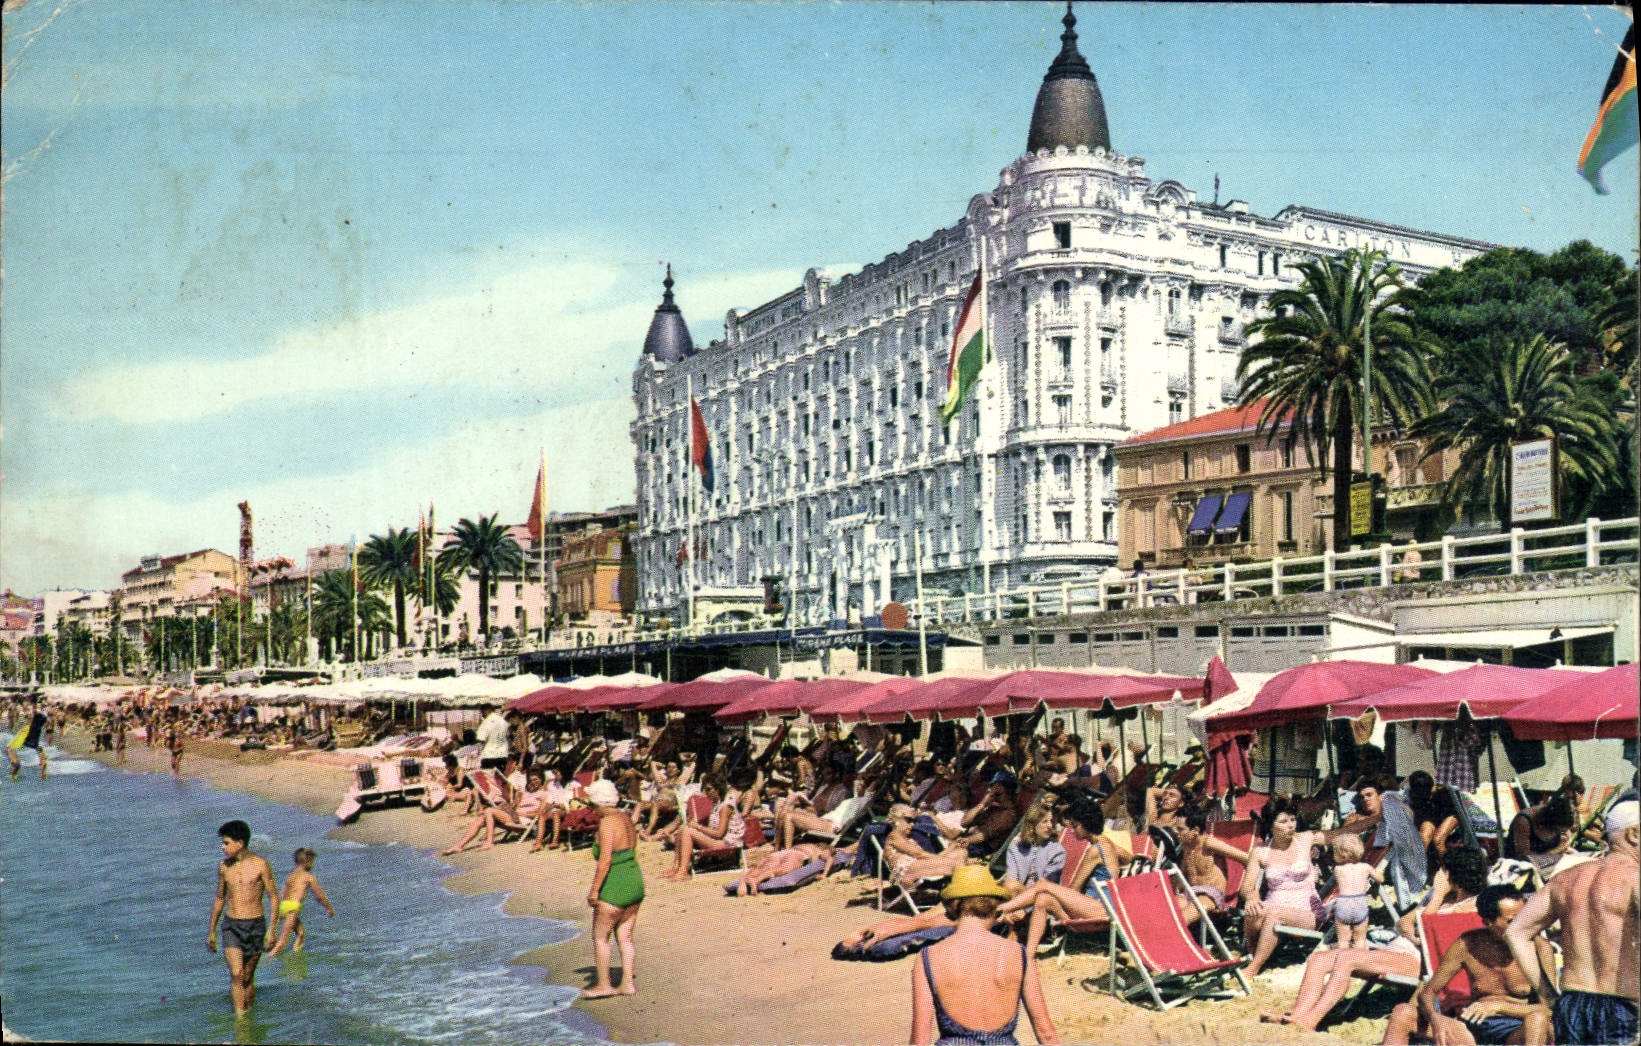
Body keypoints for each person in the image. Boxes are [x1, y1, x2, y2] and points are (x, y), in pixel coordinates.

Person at [1505, 800, 1639, 1046]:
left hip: (1572, 1004)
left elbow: (1516, 932)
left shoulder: (1566, 878)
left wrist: (1546, 993)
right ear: (1634, 834)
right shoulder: (1634, 878)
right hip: (1623, 1005)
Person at [909, 865, 1059, 1046]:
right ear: (994, 905)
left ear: (952, 907)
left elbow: (920, 1040)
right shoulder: (1019, 954)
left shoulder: (929, 957)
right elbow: (1046, 1034)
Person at [1383, 885, 1549, 1046]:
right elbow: (1428, 992)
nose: (1522, 925)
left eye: (1525, 917)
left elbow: (1548, 1010)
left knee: (1538, 1019)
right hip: (1473, 1028)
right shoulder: (1467, 945)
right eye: (1512, 921)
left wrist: (1499, 1007)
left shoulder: (1539, 948)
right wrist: (1437, 1020)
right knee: (1403, 1012)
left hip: (1516, 1031)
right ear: (1488, 922)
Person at [993, 799, 1120, 955]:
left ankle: (999, 911)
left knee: (1043, 885)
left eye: (1075, 825)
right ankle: (1029, 955)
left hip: (1101, 908)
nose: (1072, 831)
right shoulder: (1107, 844)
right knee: (1043, 899)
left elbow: (1075, 888)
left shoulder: (1094, 851)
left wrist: (1060, 894)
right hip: (1098, 906)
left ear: (1085, 823)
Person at [1242, 798, 1327, 977]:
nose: (1291, 825)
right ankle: (1251, 952)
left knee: (1274, 914)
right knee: (1254, 910)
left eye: (1293, 820)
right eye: (1283, 821)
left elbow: (1342, 833)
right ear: (1271, 825)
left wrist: (1377, 817)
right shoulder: (1261, 851)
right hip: (1274, 905)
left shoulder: (1305, 839)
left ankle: (1253, 967)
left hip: (1307, 912)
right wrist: (1252, 897)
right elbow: (1247, 886)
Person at [207, 820, 278, 1015]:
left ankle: (248, 1015)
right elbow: (220, 898)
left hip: (255, 925)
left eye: (226, 843)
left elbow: (273, 896)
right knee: (237, 974)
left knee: (247, 976)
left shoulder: (261, 865)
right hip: (232, 926)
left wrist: (272, 931)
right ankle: (241, 1022)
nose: (223, 847)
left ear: (240, 843)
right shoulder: (224, 867)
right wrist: (212, 931)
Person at [582, 779, 643, 999]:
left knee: (600, 936)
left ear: (598, 803)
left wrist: (594, 891)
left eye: (592, 804)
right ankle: (627, 983)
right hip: (634, 880)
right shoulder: (625, 818)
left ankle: (604, 984)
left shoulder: (607, 823)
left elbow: (605, 860)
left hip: (615, 883)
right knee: (625, 936)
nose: (591, 809)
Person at [658, 776, 743, 881]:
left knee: (688, 831)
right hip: (718, 841)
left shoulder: (725, 807)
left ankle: (683, 870)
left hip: (727, 844)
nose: (706, 793)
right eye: (704, 789)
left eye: (709, 789)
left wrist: (698, 827)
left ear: (718, 789)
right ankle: (676, 867)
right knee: (683, 828)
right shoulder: (717, 804)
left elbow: (719, 834)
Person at [266, 848, 335, 958]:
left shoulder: (292, 875)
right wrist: (329, 908)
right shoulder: (308, 876)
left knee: (301, 933)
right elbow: (319, 895)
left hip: (282, 906)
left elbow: (283, 891)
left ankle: (297, 954)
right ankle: (267, 960)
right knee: (282, 942)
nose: (313, 865)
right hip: (293, 907)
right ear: (308, 862)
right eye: (312, 862)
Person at [1329, 834, 1380, 951]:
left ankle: (1343, 963)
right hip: (1360, 903)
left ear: (1342, 855)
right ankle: (1359, 965)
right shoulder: (1366, 867)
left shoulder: (1338, 869)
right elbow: (1379, 879)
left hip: (1344, 903)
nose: (1333, 855)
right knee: (1360, 941)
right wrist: (1379, 874)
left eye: (1334, 852)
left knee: (1342, 942)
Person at [1001, 804, 1066, 896]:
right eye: (1045, 821)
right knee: (1011, 884)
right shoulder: (1016, 848)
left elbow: (1048, 886)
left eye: (1051, 821)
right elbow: (1012, 878)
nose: (1050, 825)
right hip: (1017, 892)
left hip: (1041, 897)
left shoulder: (1057, 851)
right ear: (1032, 824)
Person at [732, 842, 836, 897]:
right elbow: (830, 859)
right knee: (781, 870)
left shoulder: (806, 844)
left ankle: (744, 879)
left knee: (764, 869)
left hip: (781, 853)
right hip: (796, 855)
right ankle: (756, 881)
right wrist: (825, 874)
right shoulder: (817, 850)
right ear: (825, 849)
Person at [8, 705, 49, 779]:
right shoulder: (34, 726)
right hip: (28, 737)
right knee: (16, 760)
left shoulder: (30, 727)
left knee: (15, 760)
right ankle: (43, 774)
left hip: (24, 739)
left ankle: (13, 775)